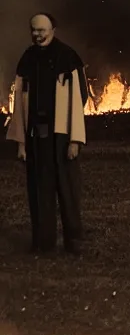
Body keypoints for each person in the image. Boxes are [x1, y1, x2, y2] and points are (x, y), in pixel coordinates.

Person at [6, 13, 89, 255]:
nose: (38, 35)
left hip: (62, 135)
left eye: (42, 30)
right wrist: (22, 142)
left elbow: (78, 100)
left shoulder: (67, 58)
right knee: (39, 191)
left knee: (67, 190)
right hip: (36, 137)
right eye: (34, 30)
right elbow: (19, 105)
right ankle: (44, 243)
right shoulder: (27, 59)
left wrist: (75, 139)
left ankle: (75, 243)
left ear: (53, 29)